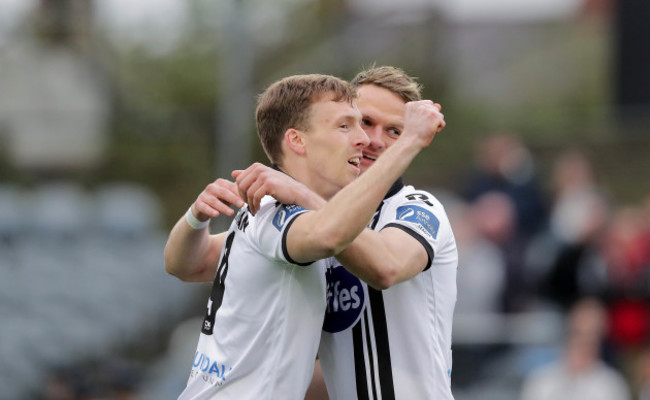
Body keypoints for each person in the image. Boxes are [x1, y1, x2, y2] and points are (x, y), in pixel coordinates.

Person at [163, 73, 445, 399]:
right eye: (347, 126)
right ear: (297, 140)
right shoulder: (282, 211)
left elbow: (187, 265)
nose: (365, 139)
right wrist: (411, 140)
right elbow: (330, 235)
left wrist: (195, 217)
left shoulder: (262, 206)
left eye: (391, 130)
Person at [235, 66, 458, 400]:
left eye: (395, 131)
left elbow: (387, 266)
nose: (373, 140)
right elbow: (197, 263)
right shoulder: (311, 222)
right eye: (365, 122)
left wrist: (302, 195)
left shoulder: (419, 208)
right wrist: (197, 216)